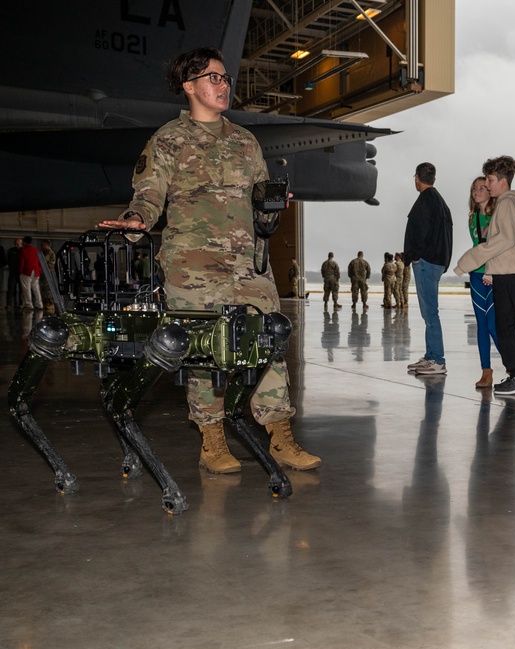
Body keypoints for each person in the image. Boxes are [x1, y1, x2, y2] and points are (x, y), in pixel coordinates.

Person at [98, 46, 321, 473]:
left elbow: (260, 194)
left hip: (248, 264)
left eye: (225, 78)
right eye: (213, 78)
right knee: (205, 351)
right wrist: (135, 219)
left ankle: (281, 438)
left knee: (269, 342)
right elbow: (149, 193)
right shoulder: (169, 140)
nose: (223, 85)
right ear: (189, 86)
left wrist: (272, 204)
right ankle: (212, 442)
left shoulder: (245, 140)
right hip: (193, 266)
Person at [455, 156, 515, 395]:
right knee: (505, 326)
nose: (487, 185)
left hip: (509, 272)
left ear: (502, 180)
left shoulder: (508, 203)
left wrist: (470, 259)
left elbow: (505, 239)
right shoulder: (507, 202)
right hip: (508, 271)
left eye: (489, 180)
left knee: (506, 327)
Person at [403, 162, 454, 376]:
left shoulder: (426, 201)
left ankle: (438, 360)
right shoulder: (439, 201)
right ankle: (431, 356)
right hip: (436, 262)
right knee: (428, 313)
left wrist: (415, 257)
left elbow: (421, 232)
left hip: (426, 262)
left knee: (430, 313)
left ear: (417, 178)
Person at [465, 177, 501, 389]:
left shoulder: (498, 216)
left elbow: (498, 246)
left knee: (493, 325)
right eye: (474, 188)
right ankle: (486, 372)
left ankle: (514, 369)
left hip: (493, 275)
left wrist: (491, 270)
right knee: (481, 326)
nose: (477, 191)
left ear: (490, 191)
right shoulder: (472, 217)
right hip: (477, 276)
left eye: (482, 188)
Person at [19, 236, 44, 311]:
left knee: (26, 288)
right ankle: (39, 304)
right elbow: (40, 262)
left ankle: (29, 304)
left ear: (25, 242)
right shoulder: (36, 250)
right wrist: (38, 270)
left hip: (26, 271)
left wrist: (20, 271)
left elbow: (21, 262)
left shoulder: (23, 250)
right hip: (35, 271)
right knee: (36, 288)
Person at [39, 239, 56, 312]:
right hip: (42, 273)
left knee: (48, 289)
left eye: (43, 244)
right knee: (42, 289)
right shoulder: (42, 253)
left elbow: (50, 264)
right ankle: (45, 303)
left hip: (48, 273)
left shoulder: (50, 253)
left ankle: (51, 303)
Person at [6, 238, 22, 310]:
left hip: (21, 273)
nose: (17, 245)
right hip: (13, 272)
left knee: (22, 290)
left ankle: (21, 303)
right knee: (11, 289)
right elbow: (8, 260)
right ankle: (9, 303)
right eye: (16, 244)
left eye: (18, 244)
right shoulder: (11, 251)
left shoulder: (23, 251)